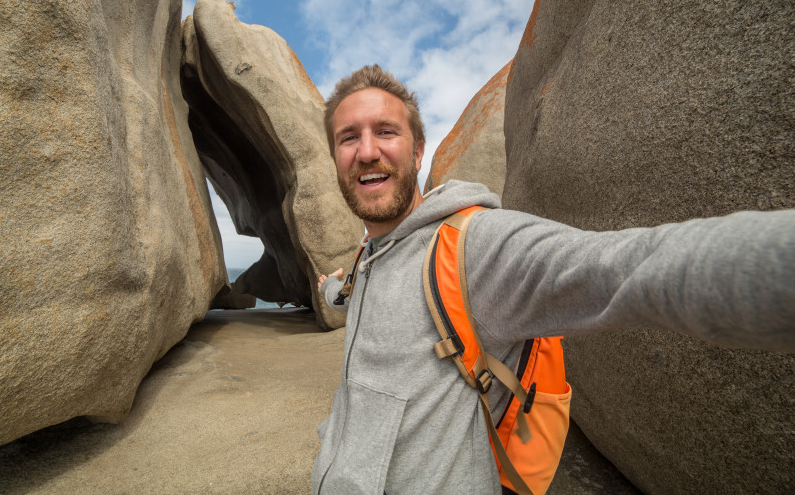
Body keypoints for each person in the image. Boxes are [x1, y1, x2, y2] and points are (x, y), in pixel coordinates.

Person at [310, 64, 795, 495]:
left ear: (417, 153)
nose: (367, 150)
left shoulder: (474, 247)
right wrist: (330, 290)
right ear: (335, 158)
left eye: (386, 132)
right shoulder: (365, 260)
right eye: (349, 137)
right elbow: (347, 298)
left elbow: (623, 266)